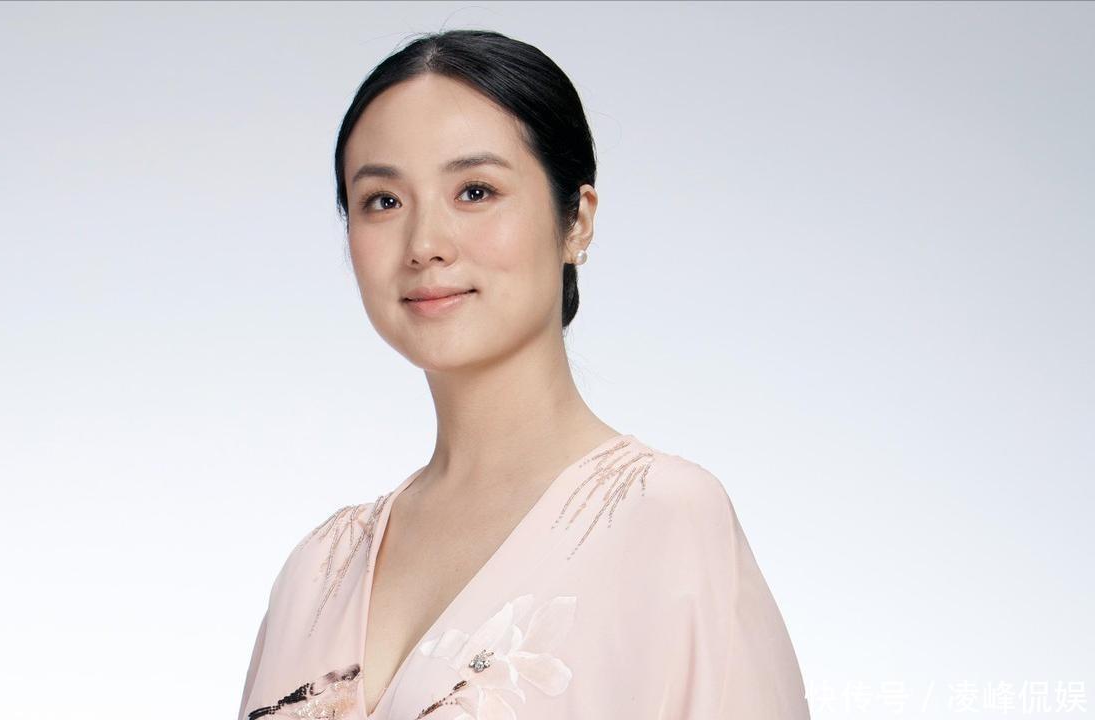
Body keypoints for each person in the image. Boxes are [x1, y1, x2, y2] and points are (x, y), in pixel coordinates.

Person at [237, 29, 810, 720]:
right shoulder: (316, 572)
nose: (425, 245)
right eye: (383, 201)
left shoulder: (664, 520)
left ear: (577, 222)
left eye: (475, 191)